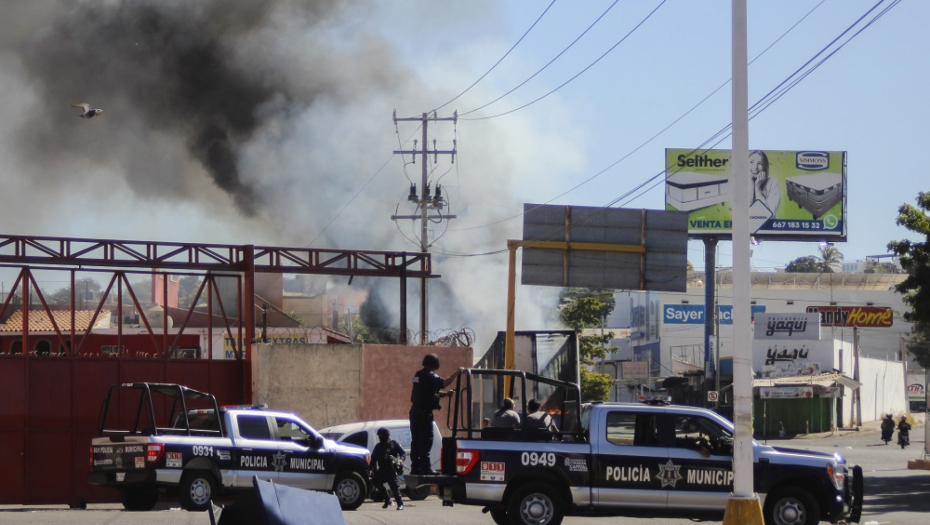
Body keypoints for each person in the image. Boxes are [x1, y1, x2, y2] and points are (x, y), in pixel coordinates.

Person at [409, 353, 457, 475]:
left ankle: (416, 468)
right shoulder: (430, 376)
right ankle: (426, 468)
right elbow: (444, 383)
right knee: (426, 440)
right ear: (435, 364)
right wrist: (456, 373)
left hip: (414, 412)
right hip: (424, 414)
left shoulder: (418, 375)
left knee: (416, 441)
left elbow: (427, 392)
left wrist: (445, 394)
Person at [370, 427, 406, 510]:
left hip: (391, 470)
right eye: (379, 436)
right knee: (376, 481)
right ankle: (387, 499)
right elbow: (373, 459)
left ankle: (400, 504)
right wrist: (369, 469)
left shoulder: (393, 444)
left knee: (394, 487)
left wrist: (400, 460)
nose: (379, 437)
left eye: (381, 436)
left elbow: (402, 453)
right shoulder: (378, 446)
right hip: (382, 469)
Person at [749, 150, 780, 216]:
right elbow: (741, 214)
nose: (755, 167)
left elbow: (769, 214)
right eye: (751, 162)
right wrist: (751, 185)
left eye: (760, 163)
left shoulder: (773, 182)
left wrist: (757, 188)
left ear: (765, 167)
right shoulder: (738, 183)